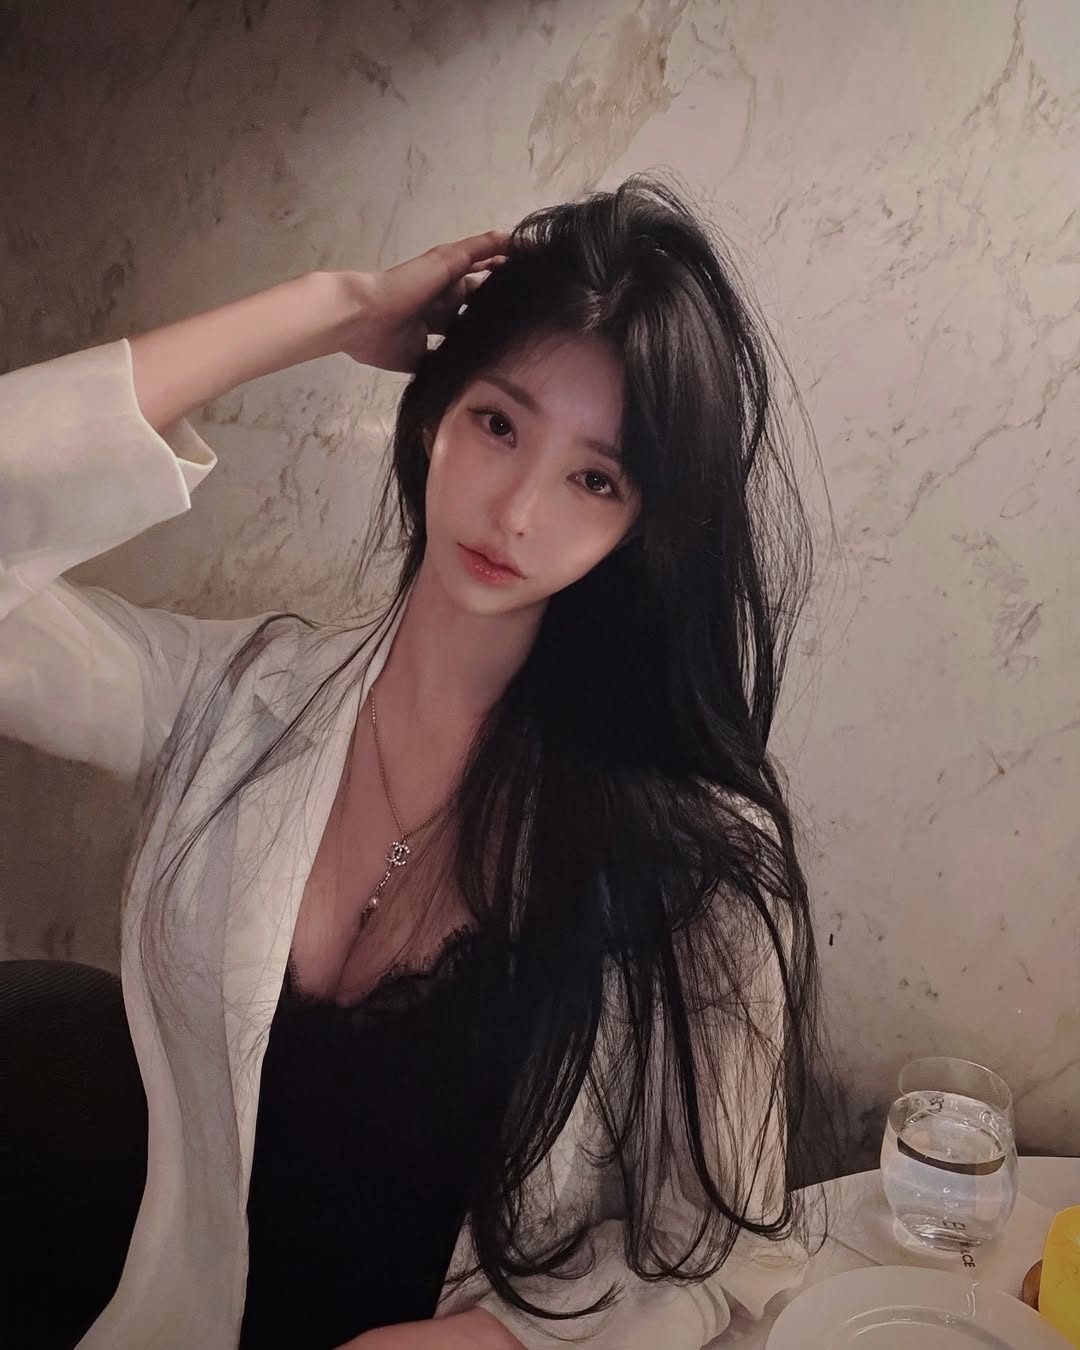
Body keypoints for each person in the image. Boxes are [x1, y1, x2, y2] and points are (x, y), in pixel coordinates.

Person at [0, 174, 828, 1350]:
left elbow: (729, 1264)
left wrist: (503, 1340)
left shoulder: (690, 870)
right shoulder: (231, 701)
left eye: (595, 478)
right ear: (435, 411)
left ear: (639, 527)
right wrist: (328, 309)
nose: (519, 512)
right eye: (499, 424)